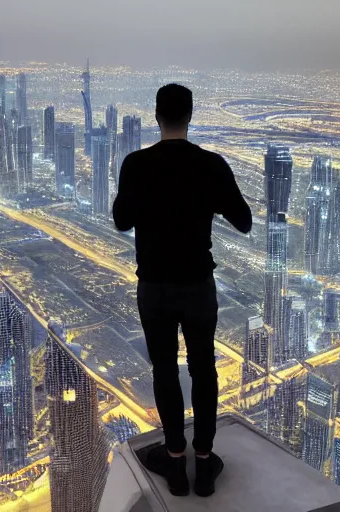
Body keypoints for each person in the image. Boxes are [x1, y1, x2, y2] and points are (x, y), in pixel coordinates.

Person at [112, 84, 252, 498]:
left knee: (165, 370)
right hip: (197, 286)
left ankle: (174, 463)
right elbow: (243, 221)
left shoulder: (137, 164)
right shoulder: (211, 165)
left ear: (157, 115)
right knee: (203, 369)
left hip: (154, 286)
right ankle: (205, 464)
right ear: (190, 116)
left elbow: (121, 220)